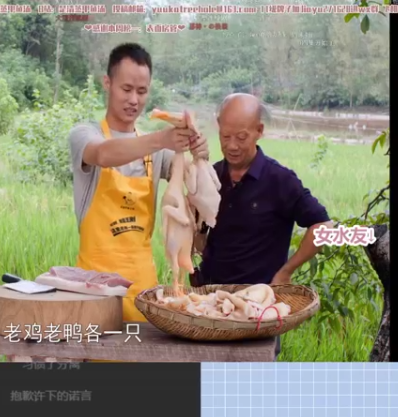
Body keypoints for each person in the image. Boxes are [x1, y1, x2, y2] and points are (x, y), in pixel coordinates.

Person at [68, 43, 209, 323]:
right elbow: (103, 154)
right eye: (126, 89)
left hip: (142, 289)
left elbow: (192, 178)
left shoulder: (158, 152)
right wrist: (162, 139)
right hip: (93, 288)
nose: (134, 99)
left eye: (142, 91)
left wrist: (199, 152)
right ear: (107, 83)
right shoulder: (84, 134)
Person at [191, 93, 332, 358]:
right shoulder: (212, 175)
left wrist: (286, 272)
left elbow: (323, 225)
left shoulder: (279, 180)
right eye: (225, 136)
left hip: (258, 311)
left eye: (241, 137)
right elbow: (200, 237)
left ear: (259, 131)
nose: (232, 145)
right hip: (211, 306)